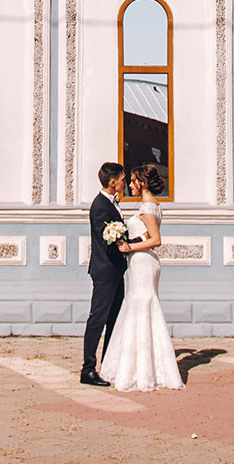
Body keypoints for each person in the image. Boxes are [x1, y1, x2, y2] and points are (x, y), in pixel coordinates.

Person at [97, 163, 182, 391]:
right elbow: (147, 234)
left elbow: (156, 240)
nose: (130, 185)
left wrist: (129, 248)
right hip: (141, 263)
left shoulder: (146, 207)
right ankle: (143, 364)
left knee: (141, 307)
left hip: (143, 263)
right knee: (139, 308)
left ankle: (141, 369)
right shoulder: (152, 205)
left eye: (133, 181)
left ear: (142, 183)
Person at [79, 161, 128, 386]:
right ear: (112, 182)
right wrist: (135, 242)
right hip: (105, 271)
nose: (125, 183)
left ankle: (108, 364)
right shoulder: (100, 205)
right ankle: (88, 368)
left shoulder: (112, 203)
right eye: (122, 179)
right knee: (98, 319)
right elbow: (107, 239)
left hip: (116, 270)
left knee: (114, 319)